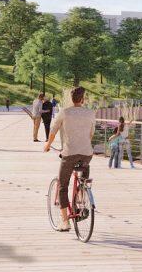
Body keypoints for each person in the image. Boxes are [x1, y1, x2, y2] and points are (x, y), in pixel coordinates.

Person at [44, 86, 96, 232]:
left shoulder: (65, 112)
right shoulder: (90, 113)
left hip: (70, 153)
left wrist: (48, 145)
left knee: (62, 186)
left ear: (71, 99)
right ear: (83, 99)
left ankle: (65, 222)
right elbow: (91, 133)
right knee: (84, 176)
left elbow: (53, 130)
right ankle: (82, 195)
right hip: (87, 153)